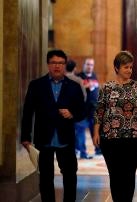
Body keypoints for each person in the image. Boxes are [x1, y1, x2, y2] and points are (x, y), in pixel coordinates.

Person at [21, 49, 86, 202]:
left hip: (66, 138)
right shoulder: (36, 85)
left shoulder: (74, 86)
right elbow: (28, 112)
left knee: (70, 176)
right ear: (48, 64)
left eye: (61, 63)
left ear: (65, 65)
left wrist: (72, 114)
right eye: (54, 63)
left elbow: (83, 111)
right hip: (43, 138)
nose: (57, 66)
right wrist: (25, 137)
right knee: (45, 178)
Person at [92, 50, 137, 202]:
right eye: (126, 67)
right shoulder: (107, 88)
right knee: (115, 174)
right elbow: (99, 111)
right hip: (110, 137)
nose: (129, 70)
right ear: (117, 68)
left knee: (129, 173)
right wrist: (96, 133)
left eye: (131, 67)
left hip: (134, 137)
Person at [65, 60, 92, 159]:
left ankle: (70, 152)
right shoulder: (78, 80)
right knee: (80, 132)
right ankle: (83, 153)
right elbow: (84, 96)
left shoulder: (61, 79)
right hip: (77, 111)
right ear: (74, 68)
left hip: (64, 111)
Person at [77, 58, 101, 155]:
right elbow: (78, 88)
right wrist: (87, 85)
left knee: (95, 131)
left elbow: (96, 88)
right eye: (88, 64)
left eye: (91, 65)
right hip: (82, 109)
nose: (89, 66)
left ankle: (98, 150)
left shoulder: (94, 76)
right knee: (80, 132)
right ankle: (82, 152)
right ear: (84, 65)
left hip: (93, 109)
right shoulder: (79, 76)